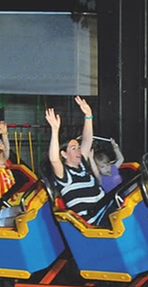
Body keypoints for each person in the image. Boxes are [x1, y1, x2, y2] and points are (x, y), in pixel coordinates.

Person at [45, 96, 108, 225]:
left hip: (105, 210)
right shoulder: (64, 175)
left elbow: (87, 140)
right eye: (73, 148)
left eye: (78, 147)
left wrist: (88, 115)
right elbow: (53, 159)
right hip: (92, 220)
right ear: (64, 154)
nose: (79, 150)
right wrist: (55, 130)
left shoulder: (83, 166)